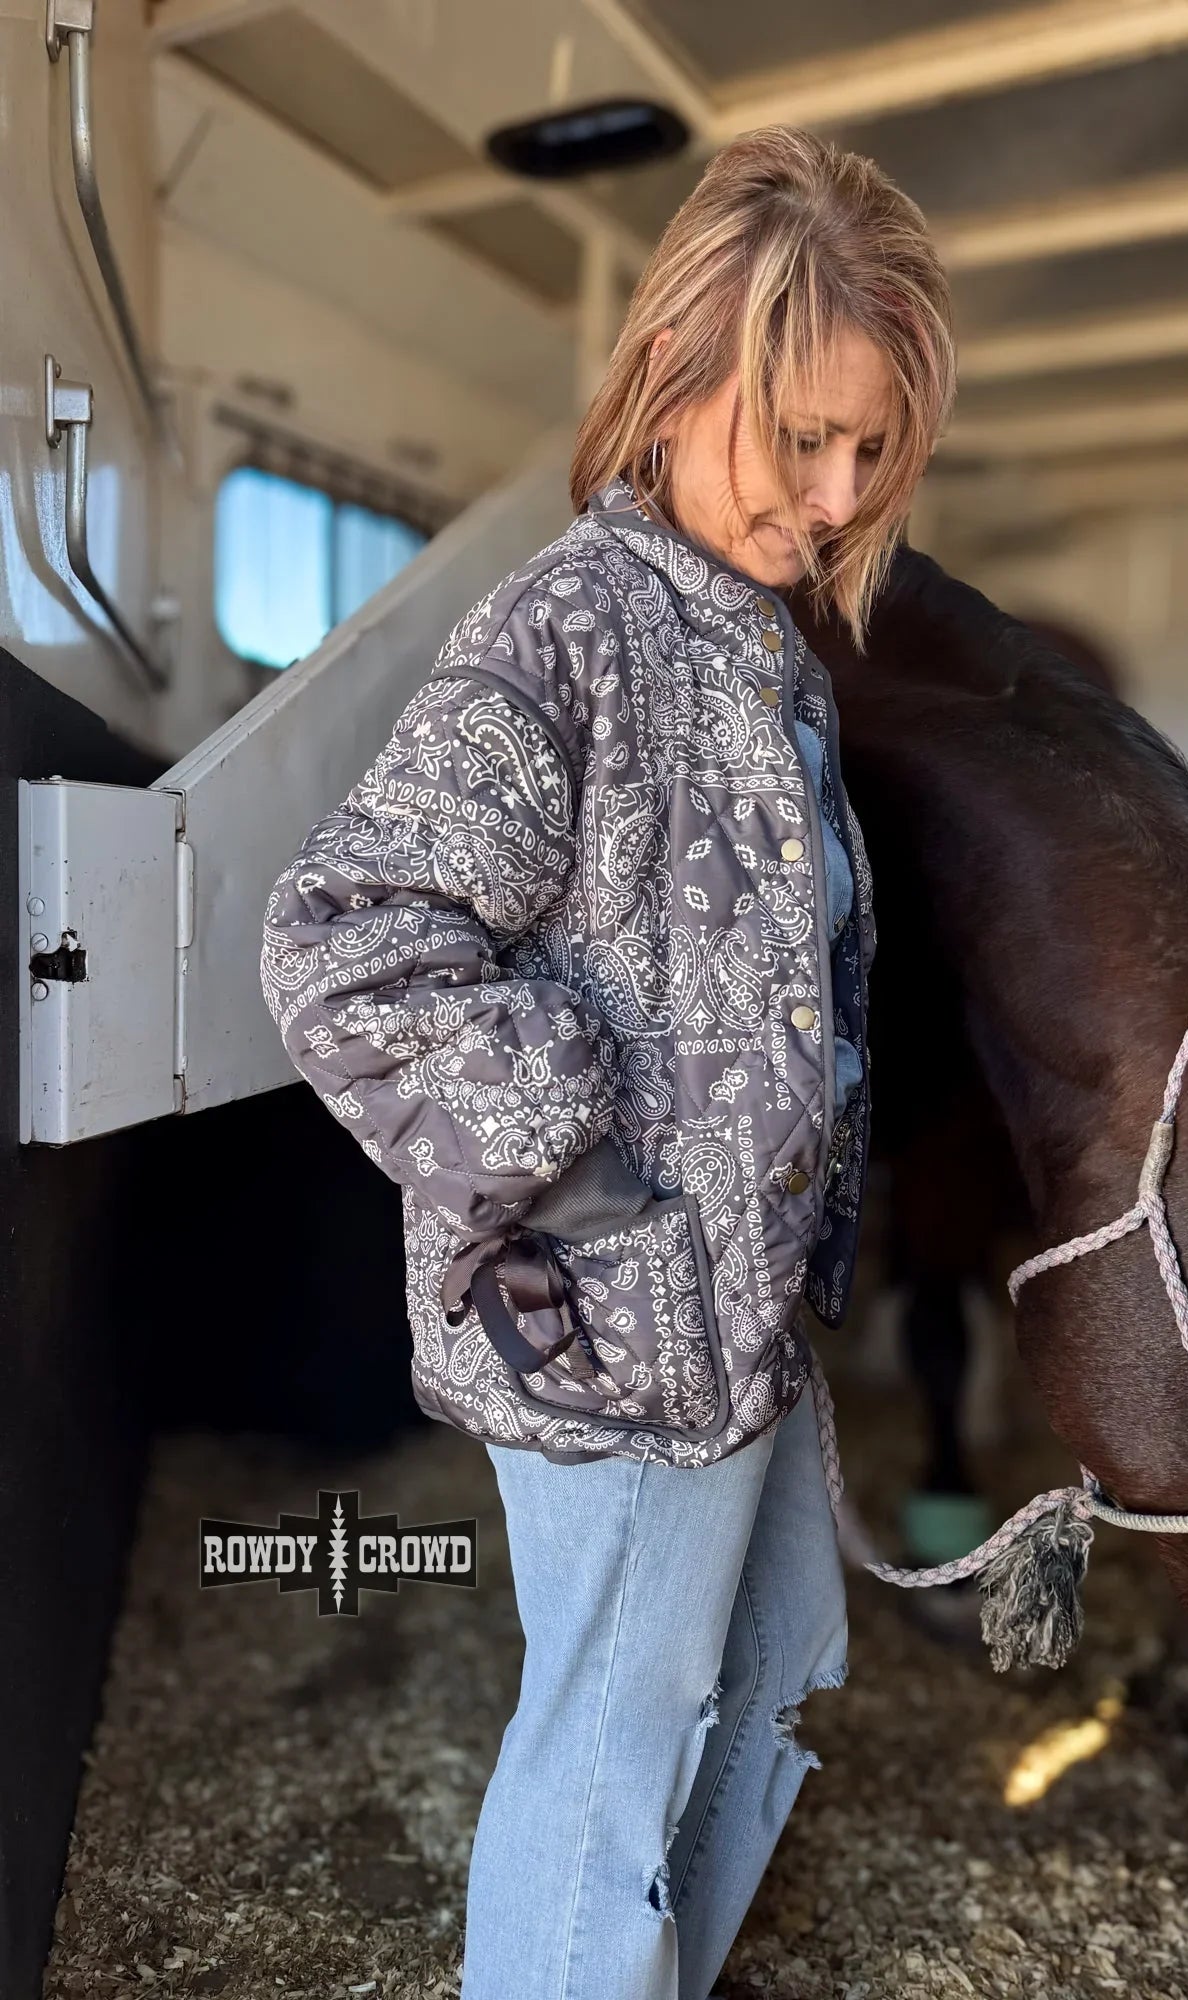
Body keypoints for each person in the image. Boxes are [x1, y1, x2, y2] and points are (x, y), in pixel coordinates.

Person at [259, 124, 954, 2000]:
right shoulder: (573, 630)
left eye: (865, 450)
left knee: (777, 1671)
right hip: (623, 1321)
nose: (827, 493)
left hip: (732, 1316)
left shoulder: (760, 650)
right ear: (673, 374)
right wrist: (599, 1164)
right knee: (604, 1766)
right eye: (793, 432)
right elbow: (342, 946)